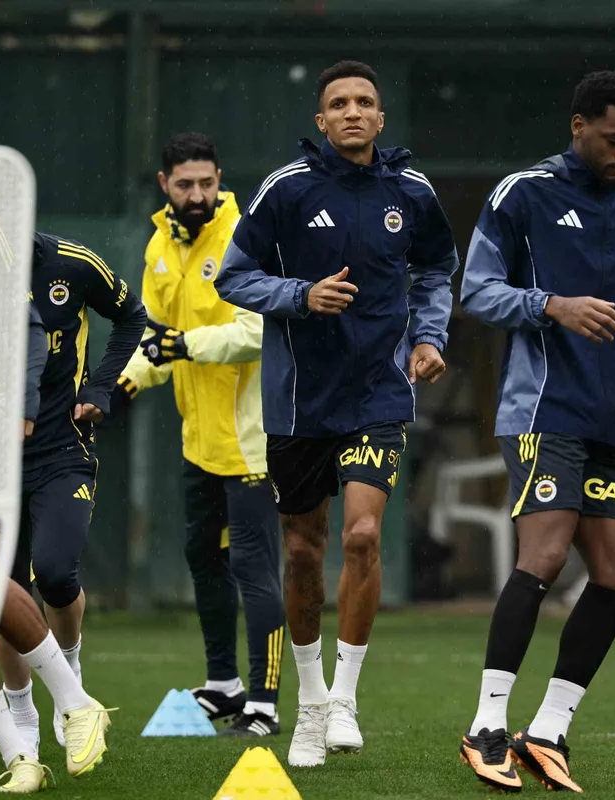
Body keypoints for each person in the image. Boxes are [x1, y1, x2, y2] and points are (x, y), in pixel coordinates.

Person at [215, 60, 458, 767]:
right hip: (298, 401)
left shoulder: (411, 191)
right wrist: (300, 295)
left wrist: (429, 337)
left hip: (378, 393)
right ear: (321, 120)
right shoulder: (286, 189)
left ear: (380, 117)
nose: (353, 112)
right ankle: (311, 704)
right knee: (302, 550)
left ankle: (345, 699)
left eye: (365, 102)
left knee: (361, 536)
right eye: (339, 104)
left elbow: (435, 270)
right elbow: (234, 276)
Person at [458, 70, 615, 793]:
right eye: (613, 139)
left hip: (614, 419)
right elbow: (476, 290)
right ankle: (485, 726)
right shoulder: (524, 194)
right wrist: (552, 306)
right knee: (543, 553)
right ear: (578, 127)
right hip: (544, 409)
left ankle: (547, 731)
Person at [111, 132, 285, 736]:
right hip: (199, 442)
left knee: (254, 568)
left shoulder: (245, 234)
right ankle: (224, 685)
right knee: (203, 559)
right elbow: (154, 334)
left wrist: (185, 344)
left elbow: (258, 331)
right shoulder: (160, 245)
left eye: (206, 183)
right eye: (184, 184)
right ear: (165, 184)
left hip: (251, 442)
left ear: (219, 179)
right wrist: (123, 385)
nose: (197, 194)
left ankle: (264, 702)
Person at [0, 207, 112, 793]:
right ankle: (19, 750)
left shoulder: (27, 267)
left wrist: (27, 403)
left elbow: (25, 325)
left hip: (20, 449)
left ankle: (73, 700)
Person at [0, 232, 146, 754]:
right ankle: (22, 714)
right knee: (0, 589)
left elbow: (132, 315)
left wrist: (100, 385)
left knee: (56, 574)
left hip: (62, 447)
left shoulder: (73, 264)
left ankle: (70, 680)